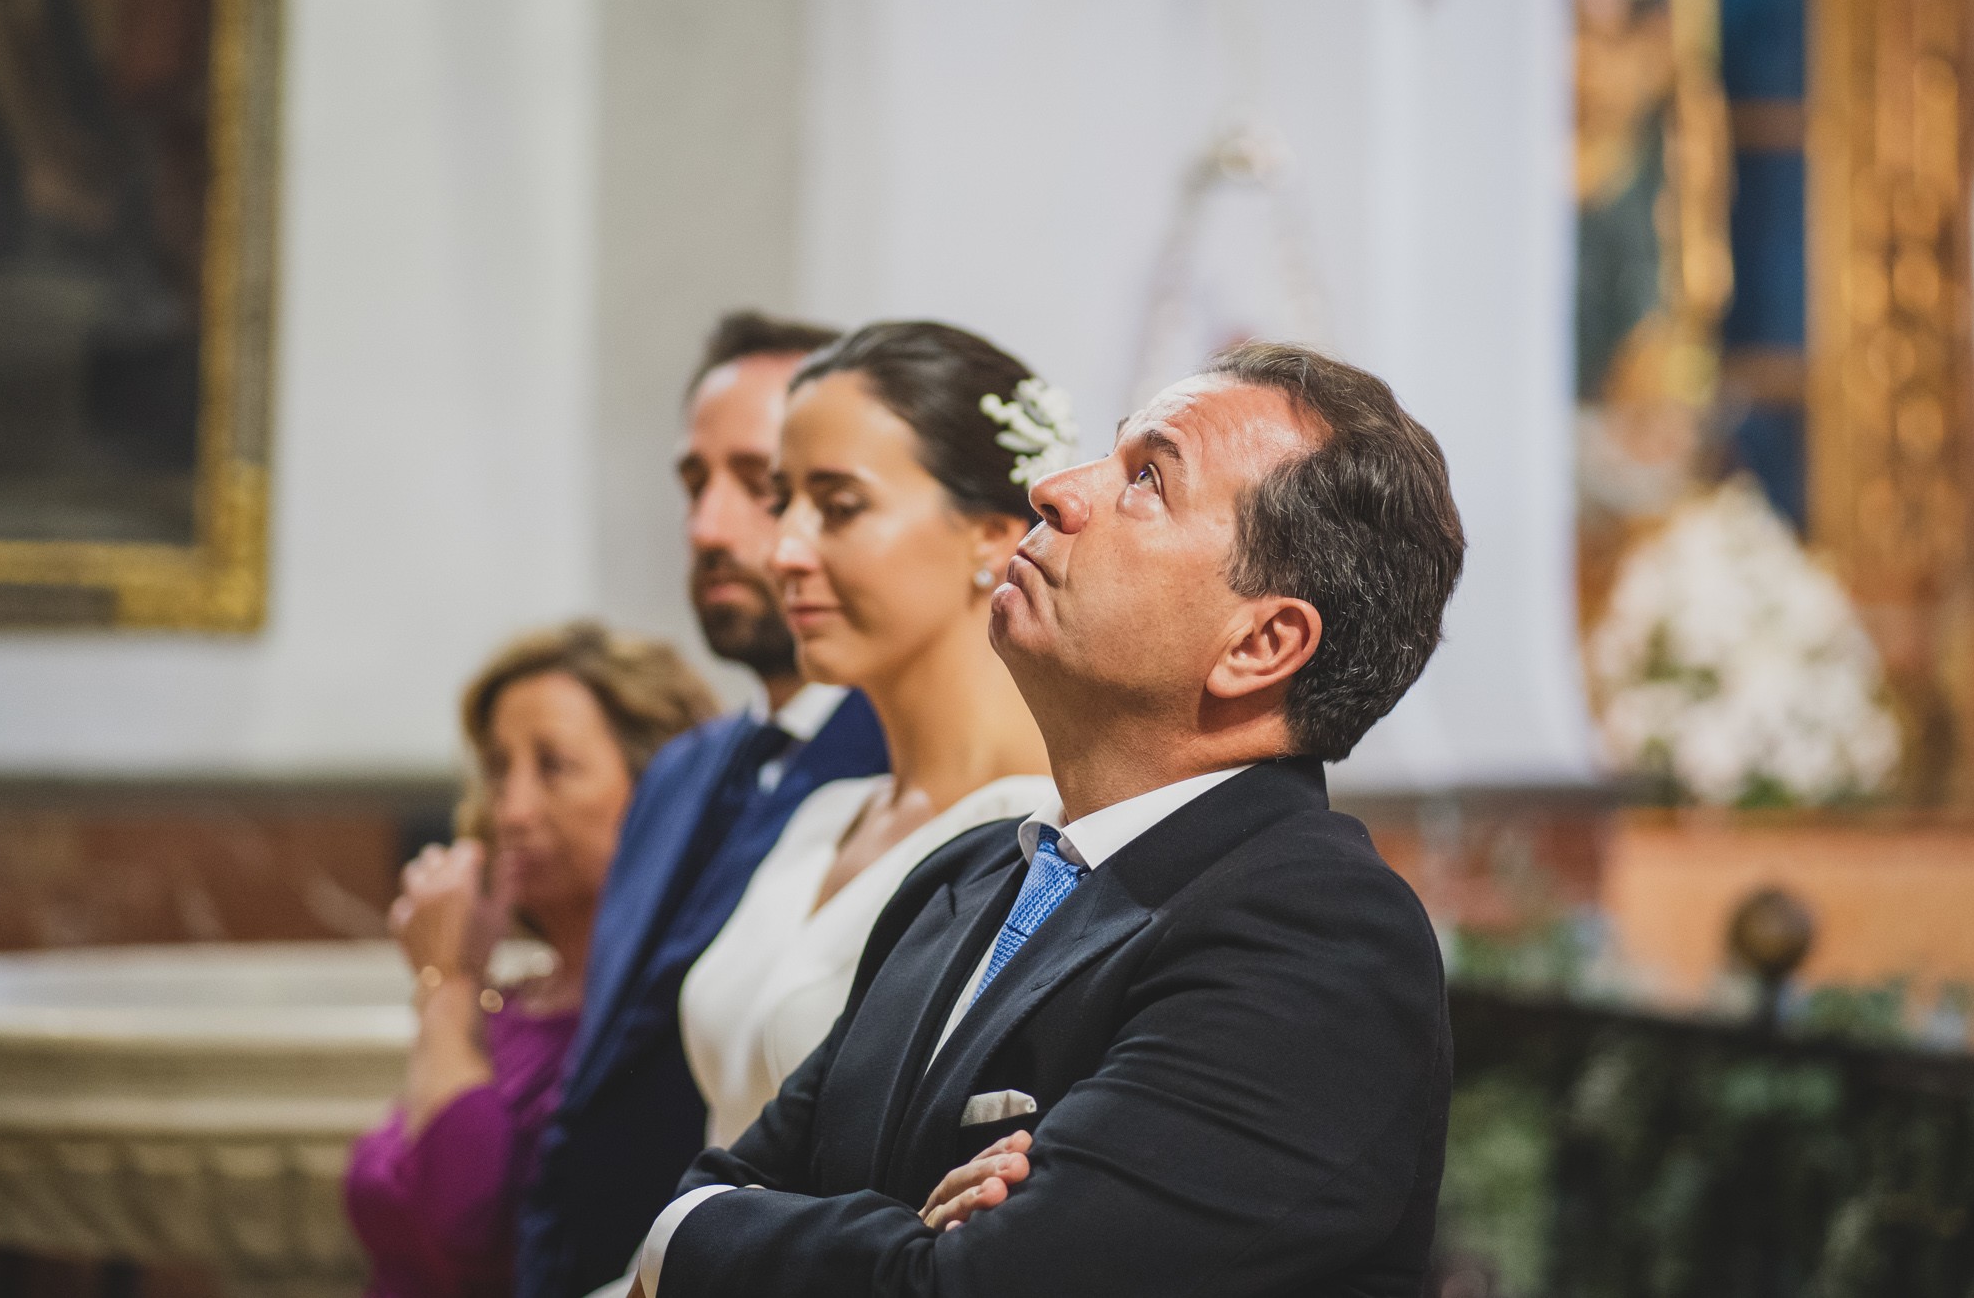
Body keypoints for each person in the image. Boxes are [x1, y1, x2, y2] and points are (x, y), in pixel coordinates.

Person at [631, 342, 1466, 1297]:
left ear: (1261, 642)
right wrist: (878, 1234)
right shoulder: (967, 873)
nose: (1053, 489)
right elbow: (720, 1185)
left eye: (1147, 478)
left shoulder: (1314, 933)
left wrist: (702, 1241)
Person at [516, 314, 892, 1298]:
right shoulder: (681, 771)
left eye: (759, 485)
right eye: (694, 483)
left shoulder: (899, 770)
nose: (709, 528)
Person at [679, 321, 1062, 1147]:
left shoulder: (1039, 837)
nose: (783, 549)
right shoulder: (825, 815)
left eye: (839, 506)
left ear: (993, 534)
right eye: (785, 502)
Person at [345, 622, 716, 1298]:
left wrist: (449, 979)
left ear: (657, 788)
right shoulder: (508, 1003)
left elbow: (469, 1225)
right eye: (497, 768)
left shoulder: (654, 1016)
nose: (511, 810)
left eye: (553, 766)